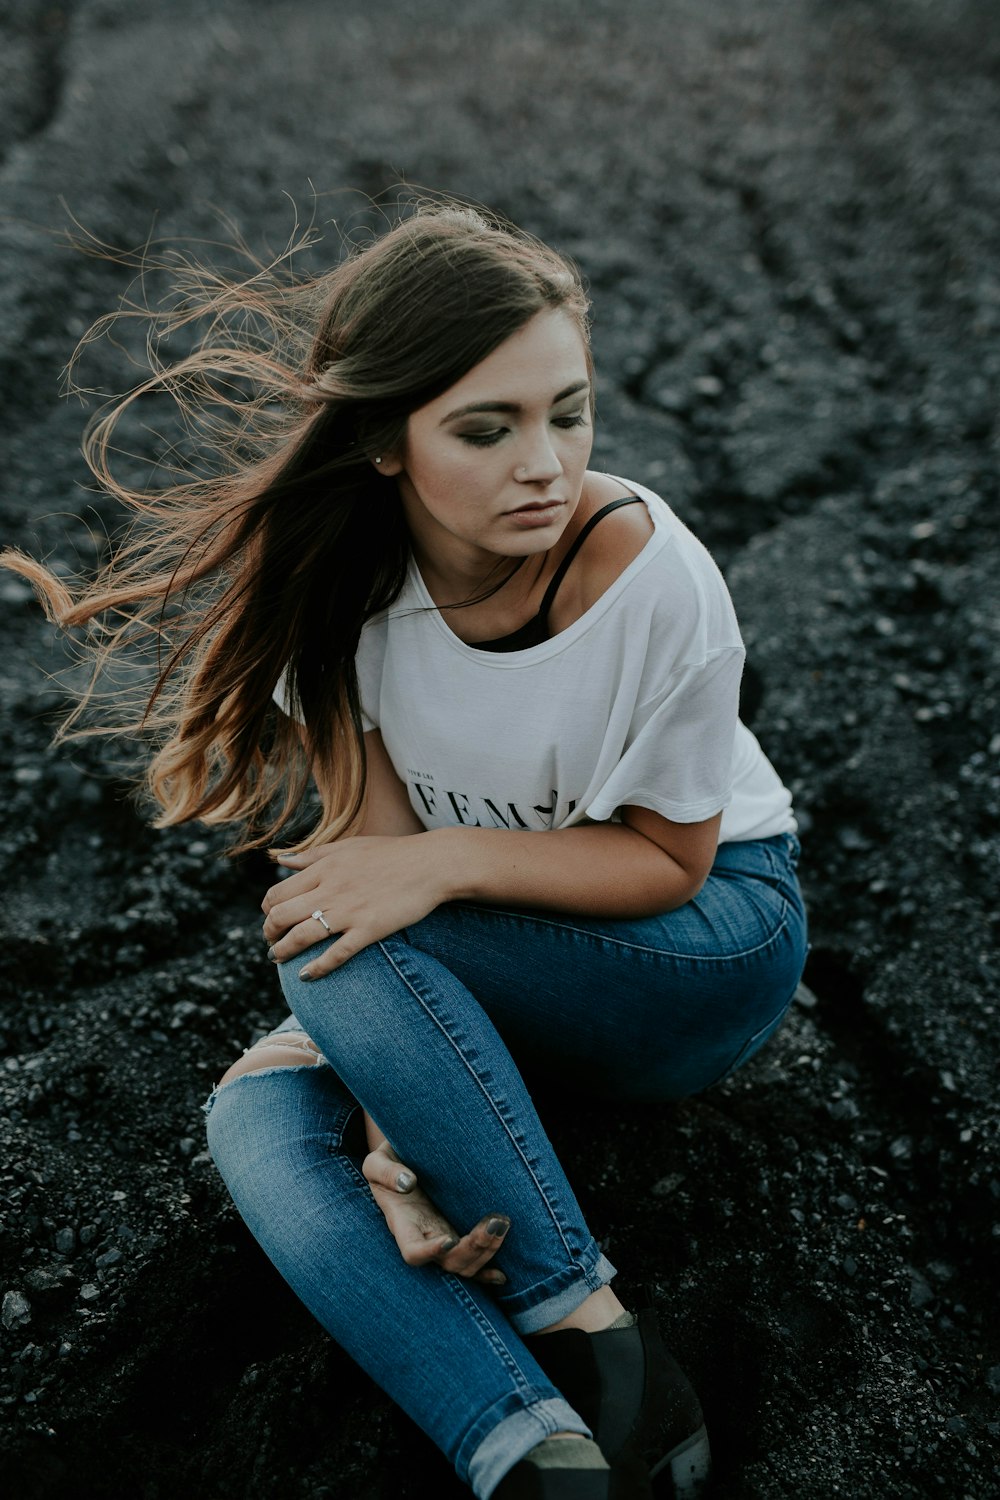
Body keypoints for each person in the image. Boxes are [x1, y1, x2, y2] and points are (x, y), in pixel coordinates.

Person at [2, 200, 806, 1499]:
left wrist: (441, 867)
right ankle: (525, 1452)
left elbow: (670, 861)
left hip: (705, 949)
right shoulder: (337, 592)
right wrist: (397, 1142)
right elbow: (374, 860)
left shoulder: (649, 576)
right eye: (487, 429)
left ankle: (586, 1327)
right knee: (259, 1116)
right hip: (489, 963)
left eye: (569, 411)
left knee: (332, 923)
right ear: (385, 438)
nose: (543, 462)